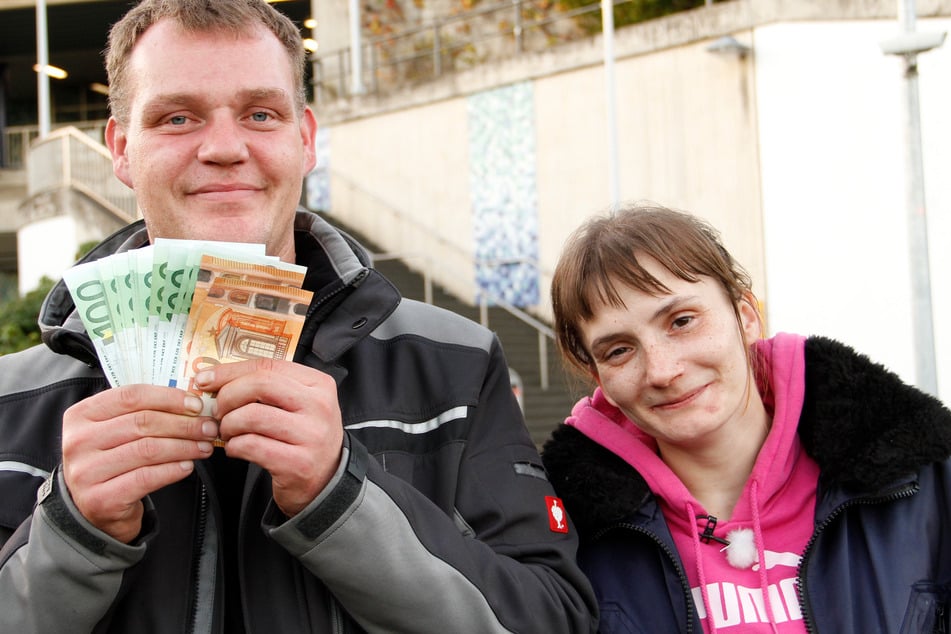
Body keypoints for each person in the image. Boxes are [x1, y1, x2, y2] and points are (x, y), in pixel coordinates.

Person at [0, 1, 598, 632]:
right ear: (121, 149)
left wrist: (343, 499)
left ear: (305, 138)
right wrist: (70, 537)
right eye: (178, 117)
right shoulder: (13, 403)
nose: (226, 148)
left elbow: (554, 617)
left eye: (260, 114)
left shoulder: (454, 363)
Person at [541, 203, 951, 633]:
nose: (662, 370)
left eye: (682, 321)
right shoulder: (564, 539)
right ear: (598, 375)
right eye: (619, 350)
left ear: (747, 317)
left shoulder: (924, 485)